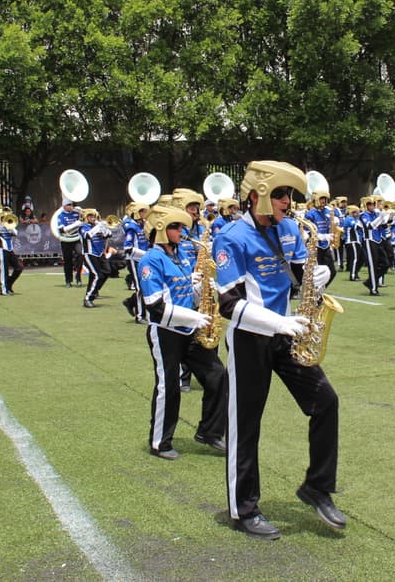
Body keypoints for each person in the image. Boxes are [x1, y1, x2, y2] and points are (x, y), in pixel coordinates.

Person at [214, 160, 343, 539]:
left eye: (291, 195)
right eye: (282, 194)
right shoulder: (231, 236)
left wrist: (323, 275)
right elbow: (229, 305)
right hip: (250, 337)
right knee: (246, 425)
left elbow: (305, 276)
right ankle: (244, 509)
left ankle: (317, 487)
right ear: (257, 196)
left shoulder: (290, 229)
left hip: (287, 333)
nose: (289, 202)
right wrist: (279, 322)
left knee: (326, 401)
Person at [138, 205, 227, 459]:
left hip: (189, 329)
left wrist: (203, 289)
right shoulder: (150, 260)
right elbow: (155, 307)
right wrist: (196, 316)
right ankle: (160, 443)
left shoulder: (182, 256)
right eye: (175, 227)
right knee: (169, 386)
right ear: (161, 230)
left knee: (218, 375)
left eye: (182, 227)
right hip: (166, 331)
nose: (181, 231)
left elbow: (186, 293)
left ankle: (209, 432)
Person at [79, 209, 112, 307]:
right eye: (90, 217)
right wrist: (98, 226)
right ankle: (88, 298)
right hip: (89, 253)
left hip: (100, 253)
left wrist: (104, 227)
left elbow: (109, 235)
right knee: (97, 275)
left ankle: (94, 291)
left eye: (94, 217)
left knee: (107, 271)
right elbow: (87, 235)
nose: (93, 218)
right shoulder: (83, 227)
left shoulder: (98, 226)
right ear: (86, 217)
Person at [55, 199, 84, 287]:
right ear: (64, 206)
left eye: (71, 205)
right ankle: (68, 280)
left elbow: (83, 221)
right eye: (68, 205)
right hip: (66, 240)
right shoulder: (60, 216)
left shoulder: (76, 213)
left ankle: (78, 277)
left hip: (76, 238)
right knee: (67, 260)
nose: (70, 206)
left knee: (80, 255)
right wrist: (76, 224)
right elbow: (63, 229)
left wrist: (82, 213)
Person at [0, 213, 24, 296]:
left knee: (19, 267)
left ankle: (8, 284)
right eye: (4, 218)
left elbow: (16, 233)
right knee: (4, 270)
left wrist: (11, 226)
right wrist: (5, 225)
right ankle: (4, 290)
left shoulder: (10, 227)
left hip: (10, 249)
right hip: (2, 249)